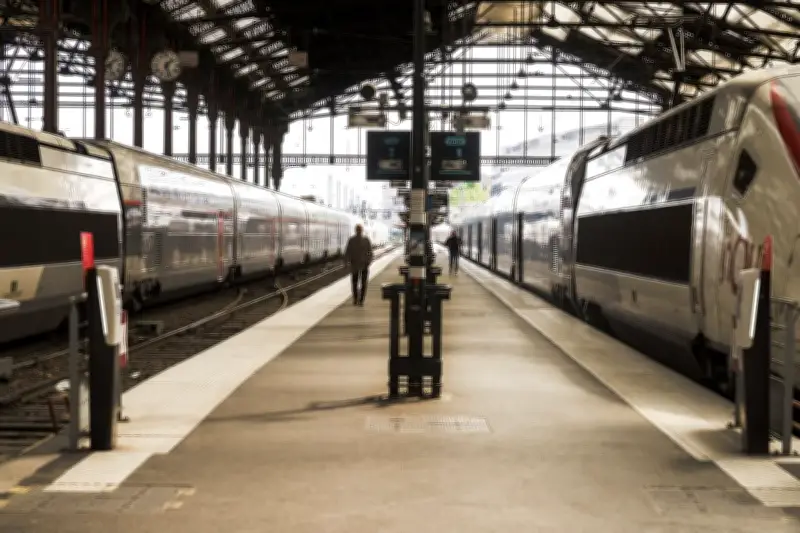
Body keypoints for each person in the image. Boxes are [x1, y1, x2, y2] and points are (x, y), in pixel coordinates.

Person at [344, 224, 373, 306]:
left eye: (359, 229)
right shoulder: (364, 240)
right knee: (357, 283)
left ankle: (359, 300)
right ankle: (358, 299)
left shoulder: (354, 240)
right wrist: (346, 261)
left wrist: (368, 261)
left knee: (359, 283)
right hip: (358, 265)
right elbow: (348, 252)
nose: (359, 231)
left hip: (360, 265)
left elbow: (370, 252)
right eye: (358, 229)